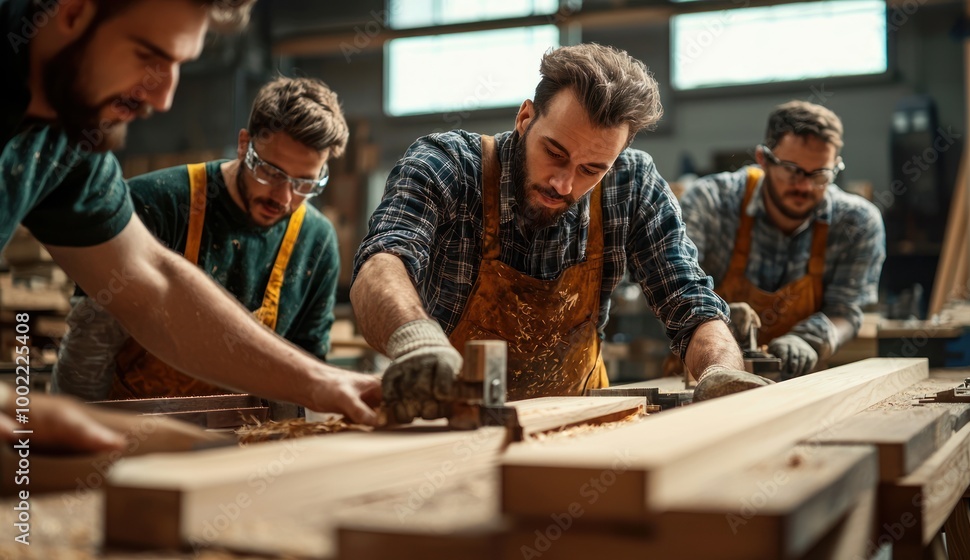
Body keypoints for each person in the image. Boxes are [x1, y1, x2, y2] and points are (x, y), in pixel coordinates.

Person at [0, 0, 380, 451]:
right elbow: (93, 337)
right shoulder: (160, 194)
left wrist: (322, 382)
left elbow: (153, 283)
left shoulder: (66, 140)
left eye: (178, 64)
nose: (163, 98)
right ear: (72, 11)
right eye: (149, 56)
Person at [352, 43, 763, 423]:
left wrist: (722, 371)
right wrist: (417, 342)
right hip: (446, 422)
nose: (563, 184)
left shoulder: (632, 183)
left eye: (591, 169)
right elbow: (383, 261)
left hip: (577, 428)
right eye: (555, 153)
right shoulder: (449, 165)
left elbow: (688, 299)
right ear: (525, 117)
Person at [53, 76, 347, 408]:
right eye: (271, 172)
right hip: (128, 427)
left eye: (304, 183)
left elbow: (306, 365)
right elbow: (92, 342)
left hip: (244, 437)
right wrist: (78, 435)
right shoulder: (158, 202)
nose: (283, 197)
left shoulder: (316, 241)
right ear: (244, 144)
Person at [680, 101, 885, 379]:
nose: (804, 186)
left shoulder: (857, 223)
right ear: (763, 159)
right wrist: (714, 317)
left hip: (798, 386)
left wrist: (809, 340)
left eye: (819, 174)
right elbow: (677, 289)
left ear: (835, 166)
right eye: (793, 170)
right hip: (703, 378)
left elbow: (846, 312)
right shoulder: (711, 202)